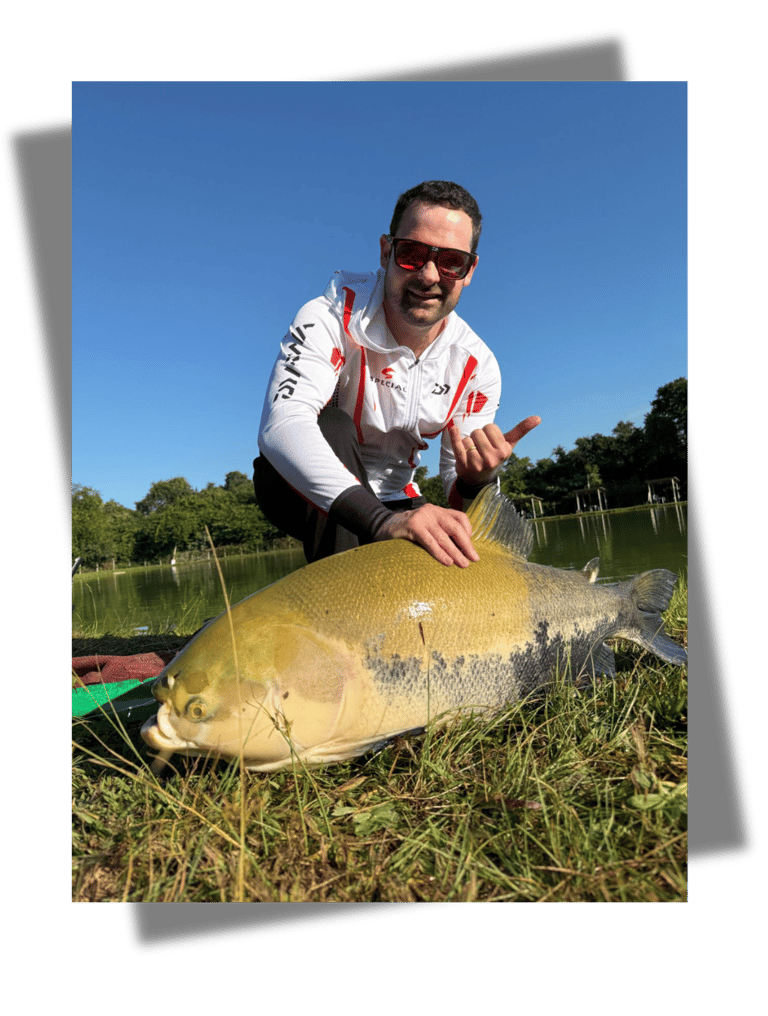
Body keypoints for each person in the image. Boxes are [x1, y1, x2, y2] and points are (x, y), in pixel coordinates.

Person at [254, 180, 540, 567]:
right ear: (386, 251)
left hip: (397, 499)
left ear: (469, 270)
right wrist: (381, 523)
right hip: (297, 490)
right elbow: (282, 425)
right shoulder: (328, 314)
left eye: (451, 261)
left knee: (462, 558)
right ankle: (349, 596)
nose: (429, 275)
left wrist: (476, 480)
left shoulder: (477, 364)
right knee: (331, 425)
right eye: (412, 254)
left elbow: (456, 489)